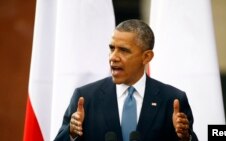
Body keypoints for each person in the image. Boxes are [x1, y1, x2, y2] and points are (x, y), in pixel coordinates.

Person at [54, 19, 198, 141]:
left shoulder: (172, 100)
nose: (113, 57)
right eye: (112, 48)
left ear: (146, 57)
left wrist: (185, 137)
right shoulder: (85, 98)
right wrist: (72, 133)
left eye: (123, 50)